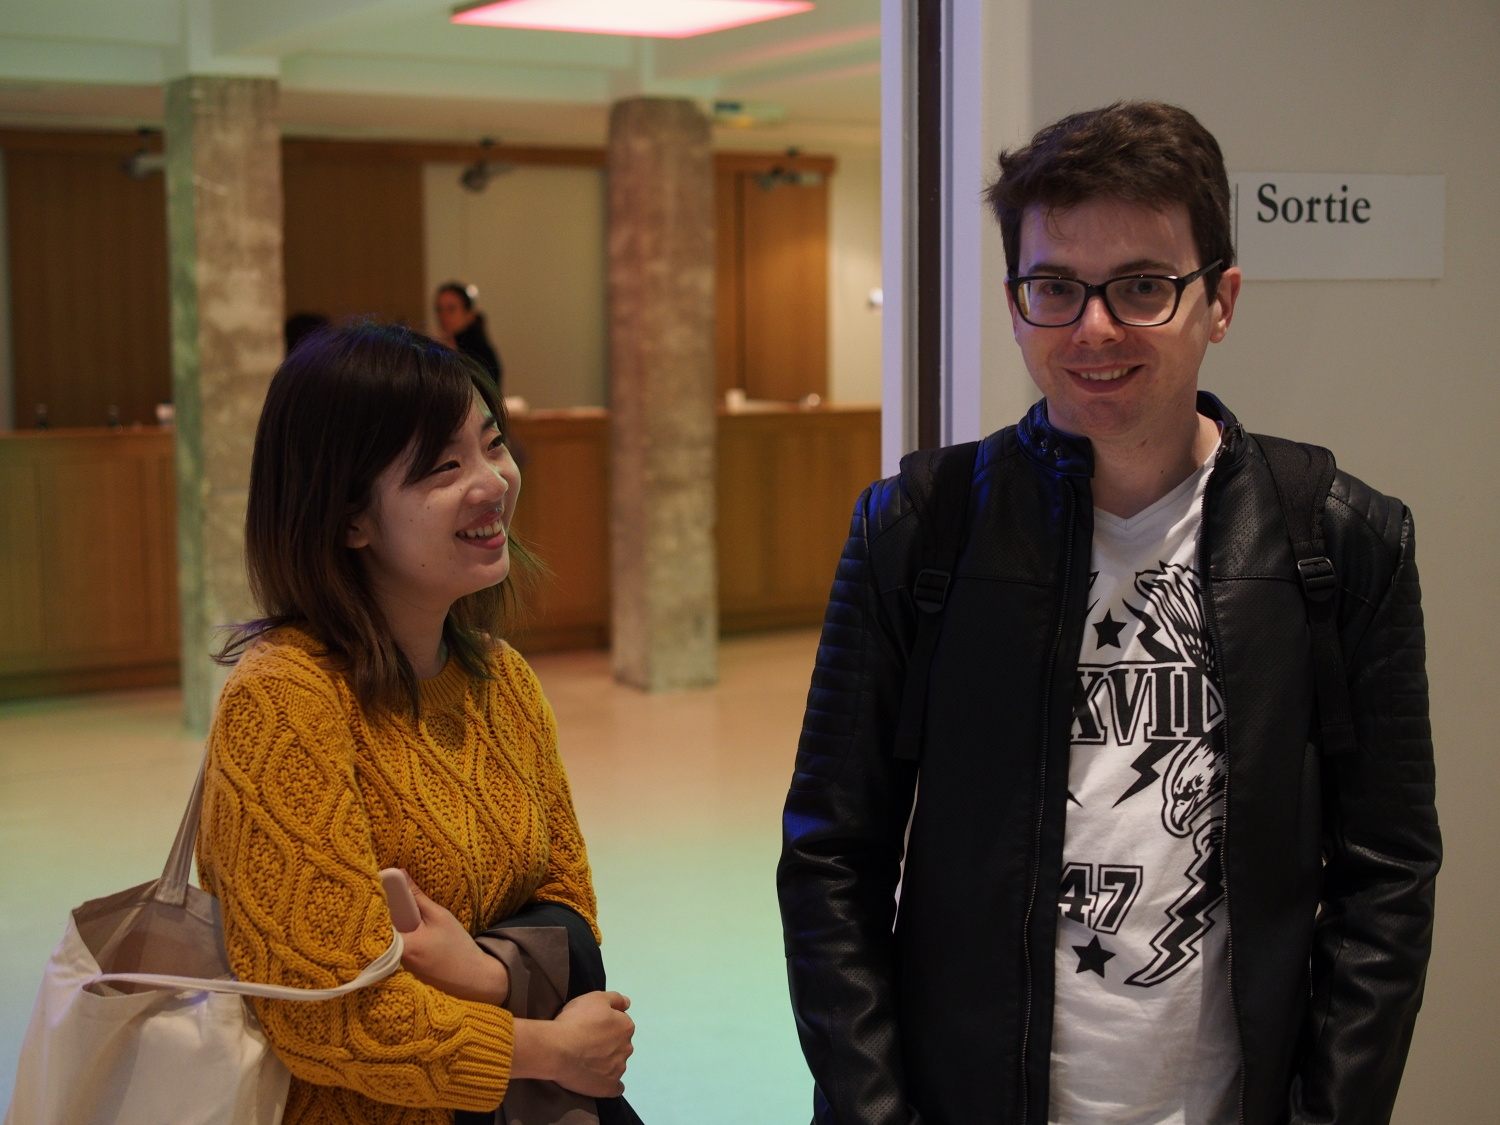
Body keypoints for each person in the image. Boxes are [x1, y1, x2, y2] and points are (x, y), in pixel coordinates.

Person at [777, 101, 1439, 1125]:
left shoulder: (1342, 540)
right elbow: (831, 855)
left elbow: (1386, 877)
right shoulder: (917, 530)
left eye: (1141, 286)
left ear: (1220, 301)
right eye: (1055, 287)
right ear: (1014, 304)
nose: (1093, 329)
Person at [196, 321, 633, 1123]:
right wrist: (547, 1048)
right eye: (443, 466)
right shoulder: (286, 699)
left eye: (492, 445)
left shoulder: (502, 677)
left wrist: (486, 972)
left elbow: (570, 900)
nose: (492, 482)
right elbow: (327, 1014)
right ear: (349, 517)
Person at [436, 281, 505, 394]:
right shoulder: (443, 346)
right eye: (439, 309)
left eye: (451, 309)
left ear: (469, 313)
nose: (443, 316)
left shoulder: (479, 353)